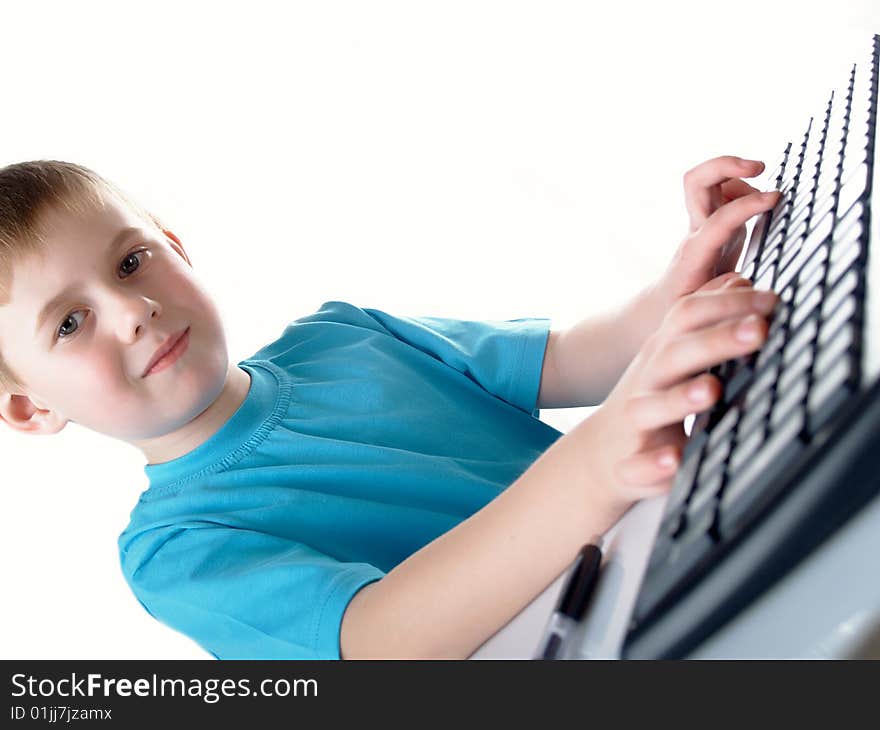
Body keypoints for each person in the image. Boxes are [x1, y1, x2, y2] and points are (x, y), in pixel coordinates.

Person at [0, 156, 780, 659]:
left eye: (133, 261)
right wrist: (594, 470)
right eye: (70, 323)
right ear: (32, 411)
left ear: (178, 247)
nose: (132, 310)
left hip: (680, 543)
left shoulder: (345, 336)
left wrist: (678, 285)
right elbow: (382, 641)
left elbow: (579, 356)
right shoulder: (174, 549)